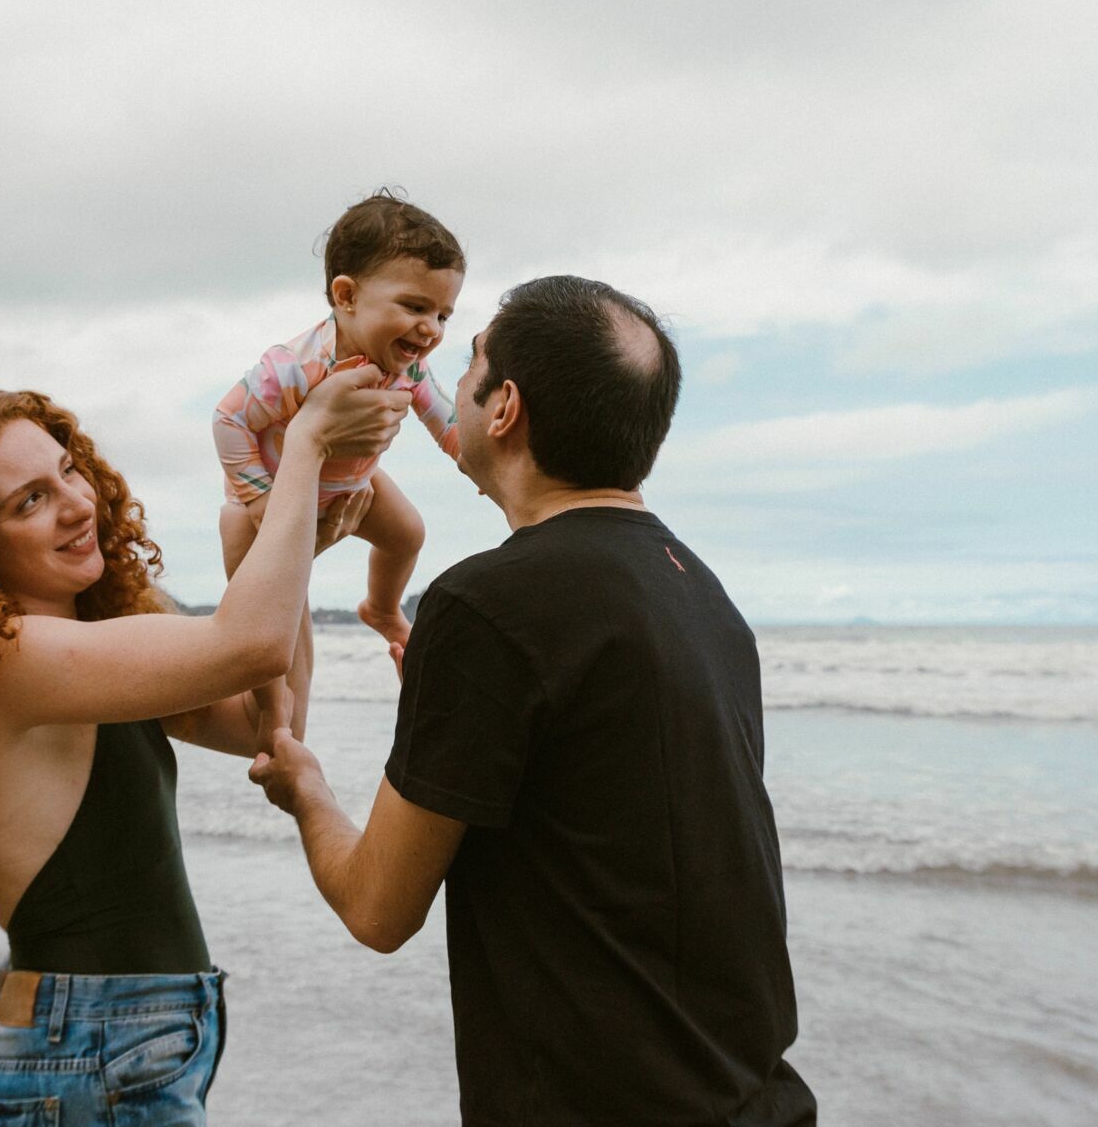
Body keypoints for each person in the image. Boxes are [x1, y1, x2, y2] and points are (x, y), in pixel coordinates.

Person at [249, 275, 818, 1126]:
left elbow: (377, 908)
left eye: (471, 359)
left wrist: (305, 787)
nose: (450, 372)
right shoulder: (704, 595)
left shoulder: (488, 604)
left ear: (504, 406)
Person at [0, 375, 407, 1127]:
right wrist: (306, 450)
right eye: (29, 500)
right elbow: (249, 644)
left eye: (67, 469)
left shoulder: (84, 650)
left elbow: (265, 721)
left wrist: (286, 549)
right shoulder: (4, 661)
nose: (76, 503)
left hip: (105, 1045)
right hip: (91, 1047)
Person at [213, 190, 465, 739]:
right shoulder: (296, 367)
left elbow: (447, 421)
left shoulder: (410, 369)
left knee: (408, 534)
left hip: (356, 485)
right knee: (271, 631)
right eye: (415, 307)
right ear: (346, 296)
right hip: (269, 504)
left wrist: (478, 465)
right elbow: (229, 420)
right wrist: (259, 499)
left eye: (443, 314)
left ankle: (380, 607)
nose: (431, 329)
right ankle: (275, 716)